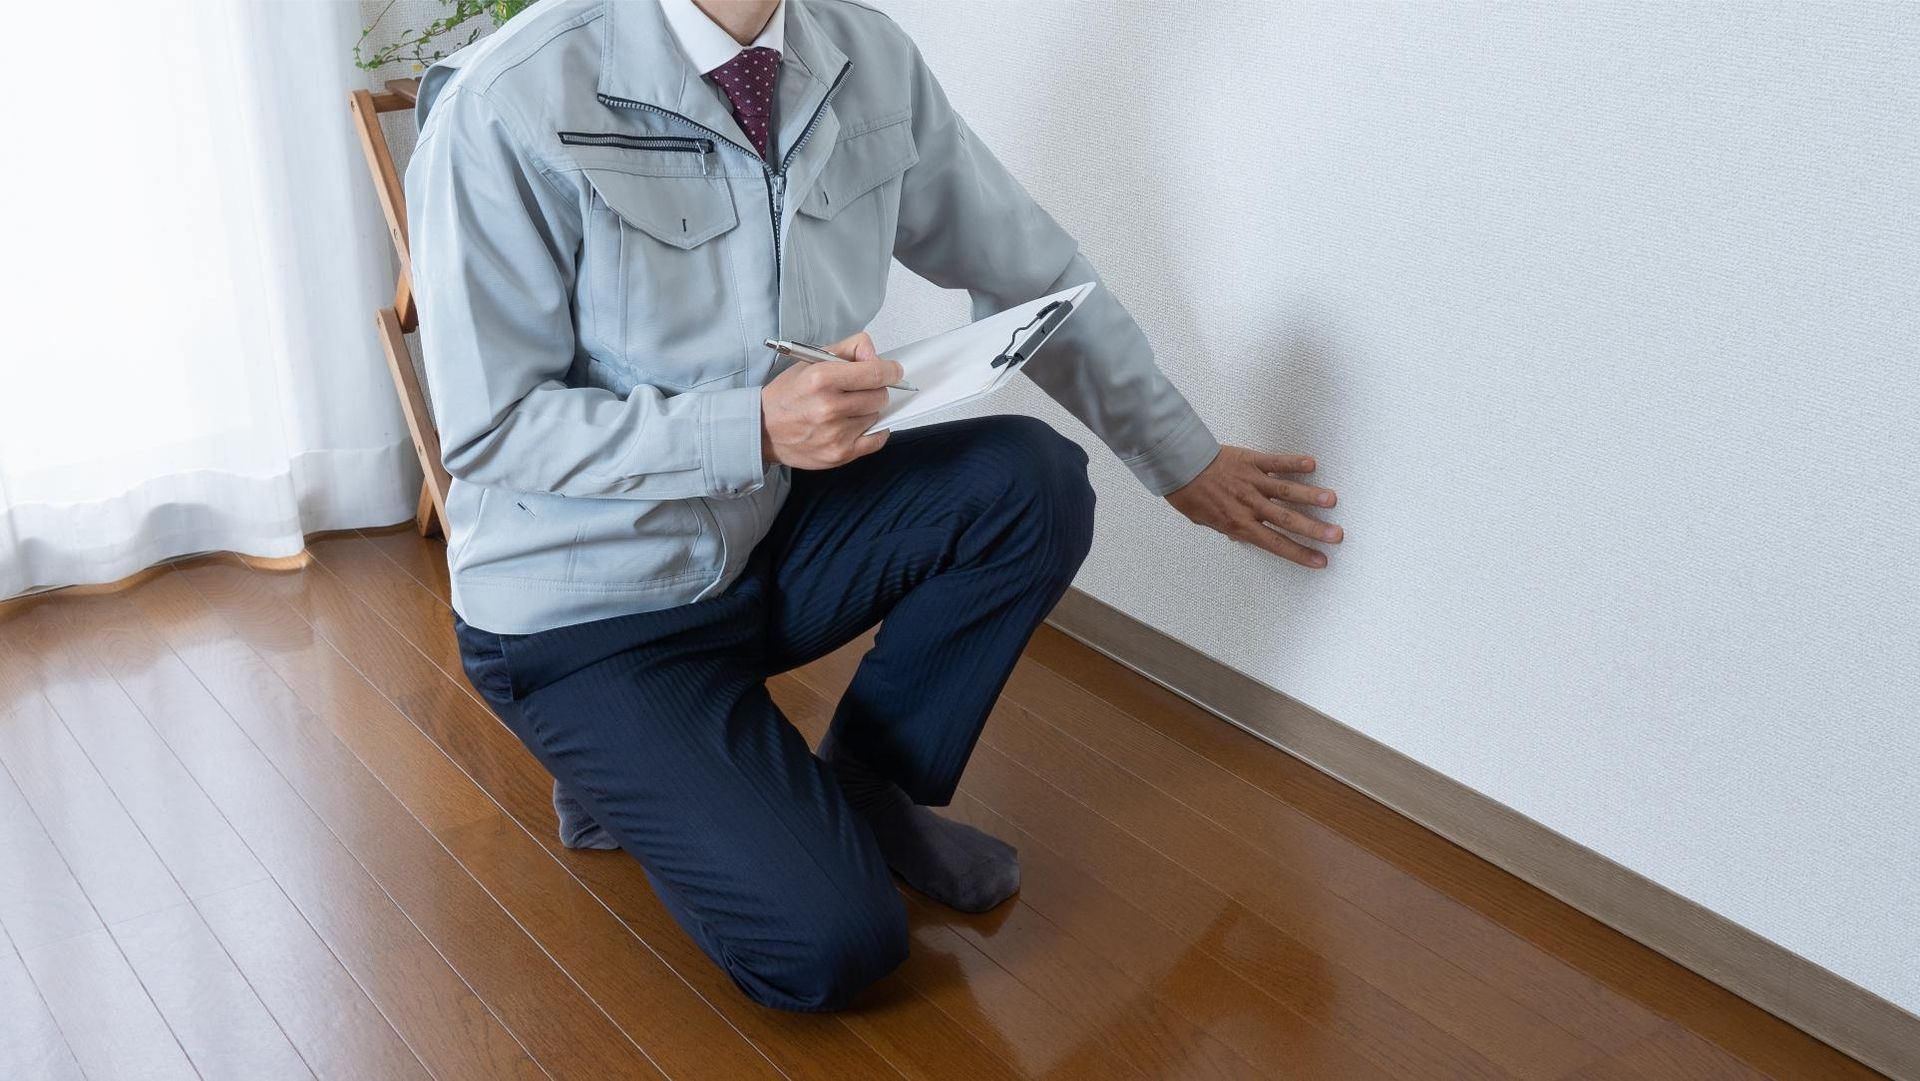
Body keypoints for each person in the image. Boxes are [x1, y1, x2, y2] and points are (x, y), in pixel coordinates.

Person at [405, 0, 1343, 1012]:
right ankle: (625, 768)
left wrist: (1181, 460)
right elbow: (491, 429)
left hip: (765, 537)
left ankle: (865, 782)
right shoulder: (506, 98)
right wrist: (752, 428)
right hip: (587, 614)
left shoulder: (865, 55)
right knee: (832, 947)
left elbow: (1035, 273)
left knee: (1027, 482)